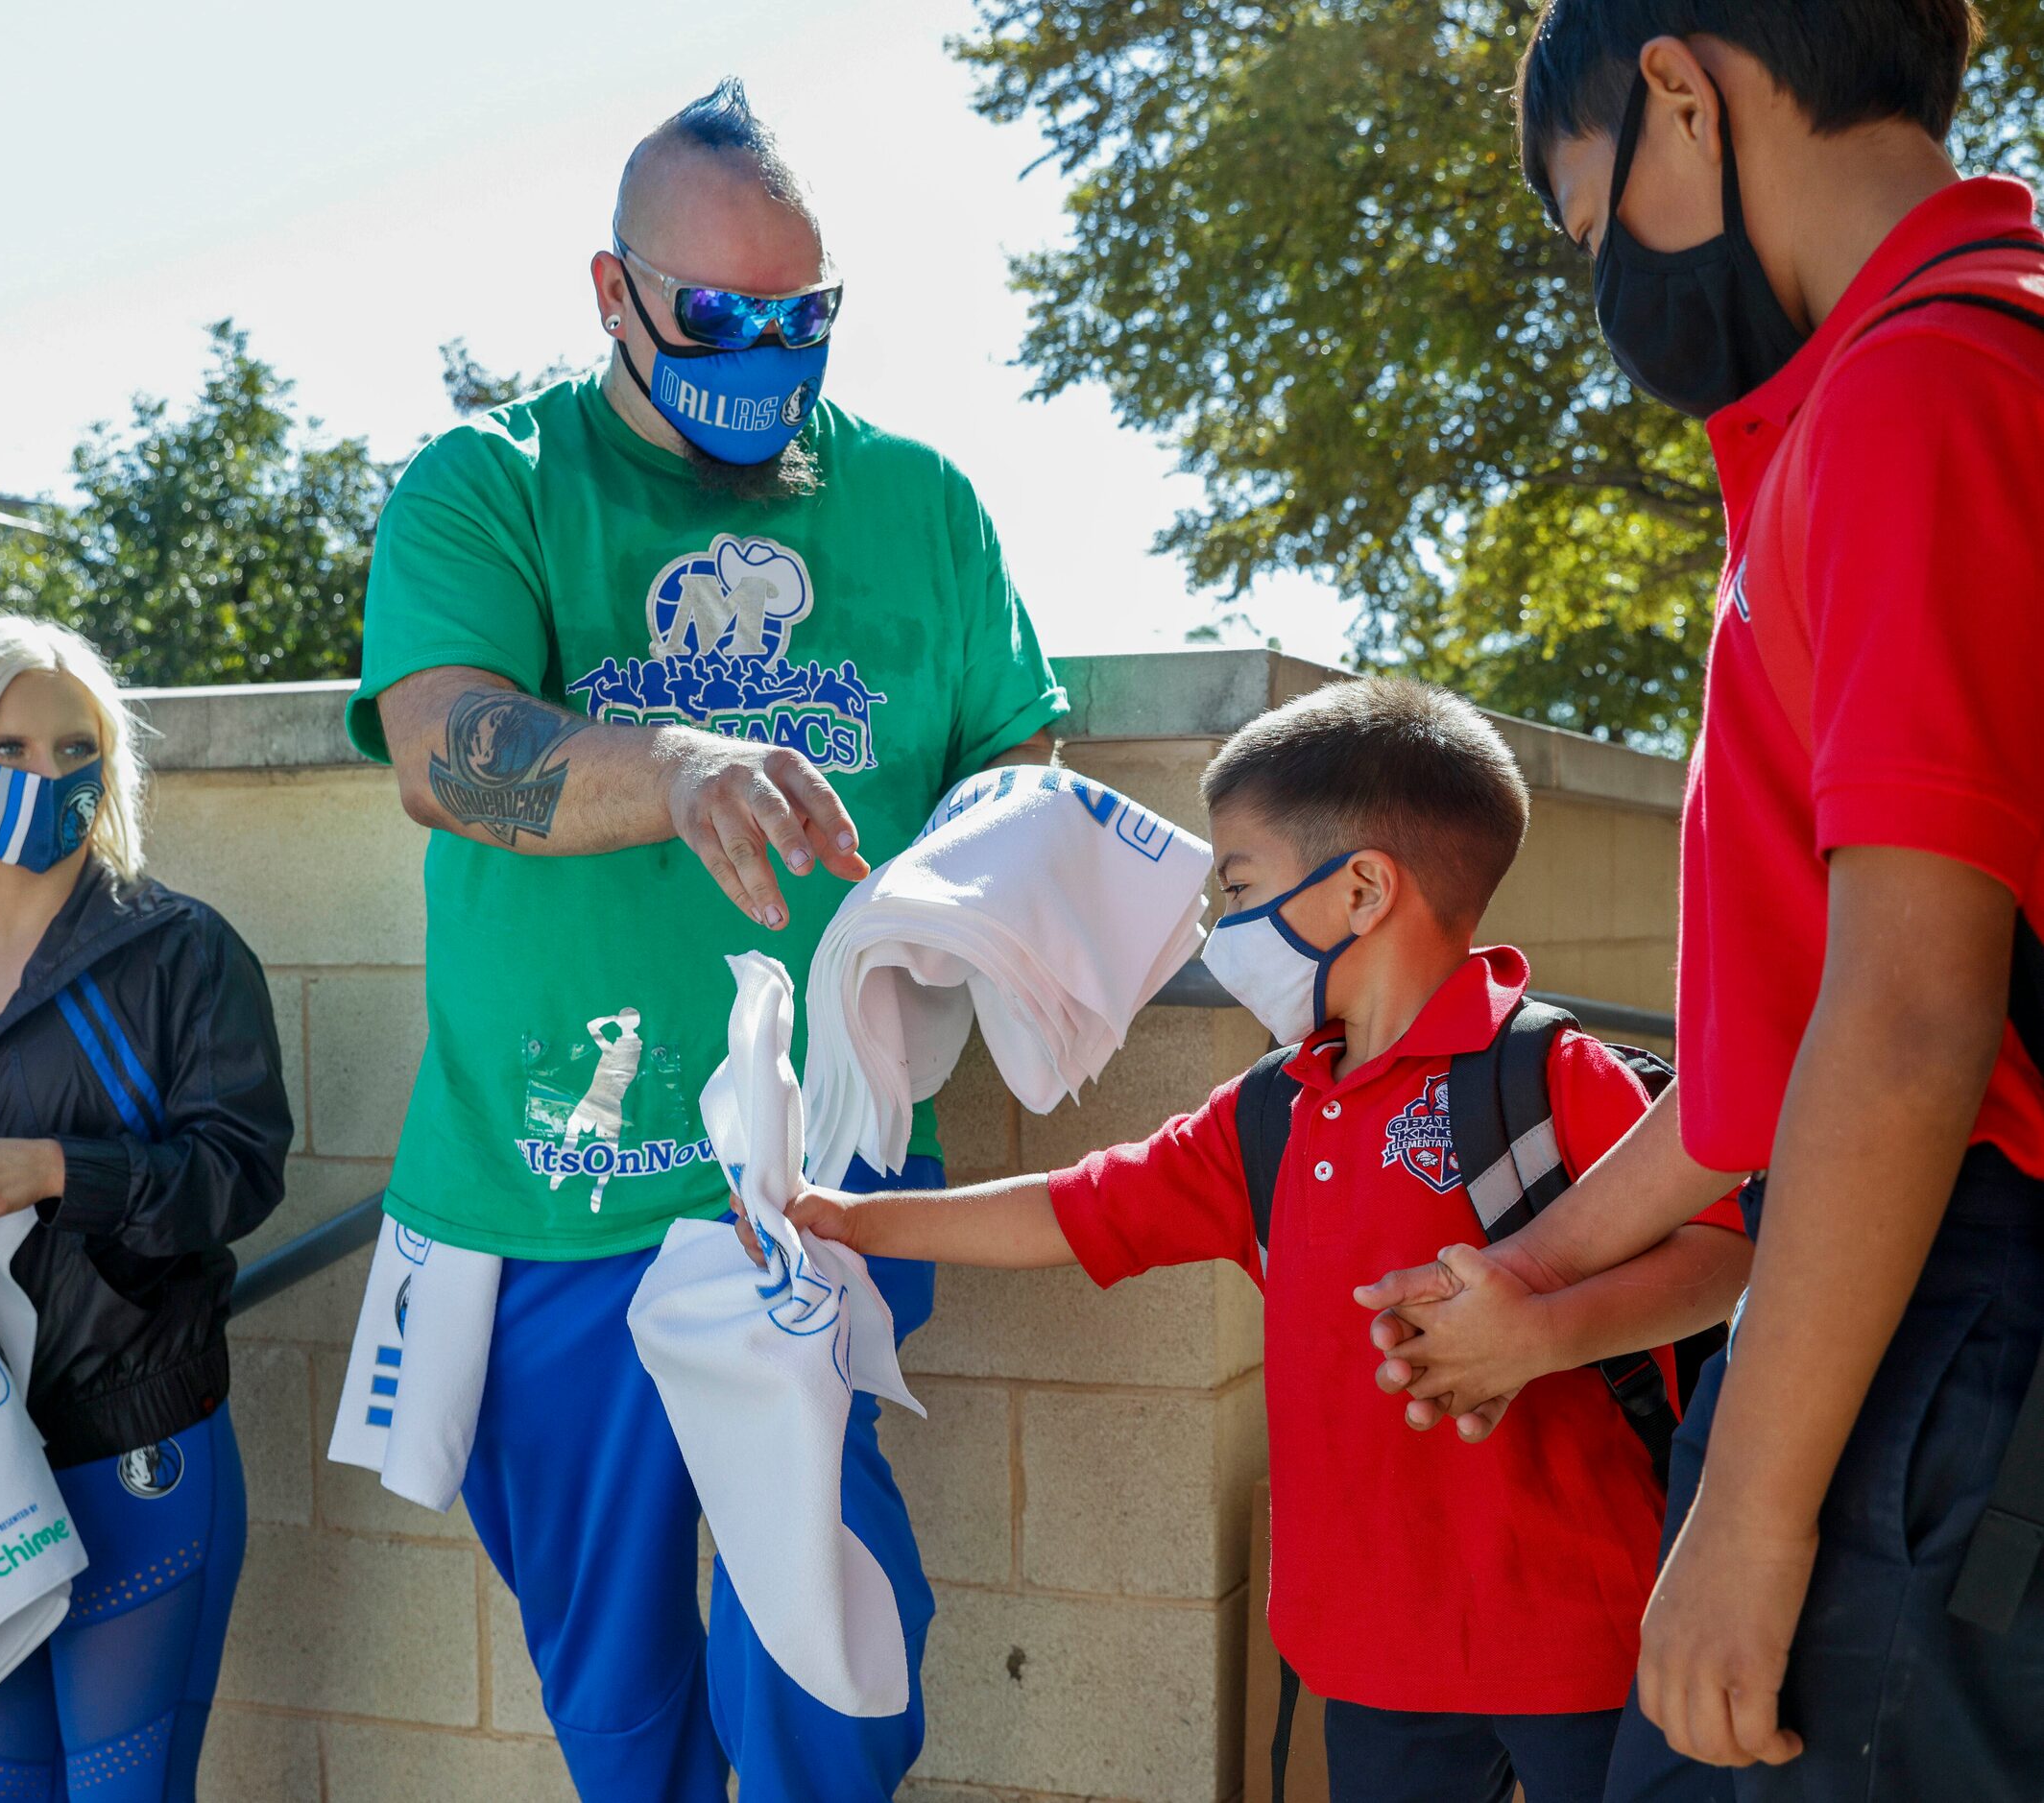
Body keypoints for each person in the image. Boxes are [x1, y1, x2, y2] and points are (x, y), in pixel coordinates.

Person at [346, 77, 1066, 1802]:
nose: (764, 347)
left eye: (801, 313)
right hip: (548, 1199)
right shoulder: (487, 485)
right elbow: (445, 749)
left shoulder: (924, 505)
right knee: (616, 1688)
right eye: (719, 313)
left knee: (828, 1660)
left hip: (818, 1188)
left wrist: (966, 884)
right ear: (615, 293)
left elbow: (1017, 757)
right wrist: (672, 765)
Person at [1358, 3, 2044, 1795]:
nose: (1614, 298)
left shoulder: (1922, 386)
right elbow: (1765, 1081)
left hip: (1946, 1335)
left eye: (1595, 229)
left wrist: (1743, 1520)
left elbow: (1906, 1022)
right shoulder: (1902, 382)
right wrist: (1521, 1274)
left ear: (1680, 90)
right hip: (1909, 1304)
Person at [780, 680, 1750, 1803]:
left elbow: (1725, 1250)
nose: (1220, 929)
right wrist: (848, 1218)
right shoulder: (1269, 1114)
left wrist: (1537, 1333)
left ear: (1362, 889)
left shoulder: (1550, 1074)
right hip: (1370, 1658)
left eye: (1237, 887)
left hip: (1594, 1640)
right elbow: (1074, 1205)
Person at [0, 615, 293, 1802]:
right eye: (10, 748)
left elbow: (242, 1170)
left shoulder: (183, 953)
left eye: (76, 748)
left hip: (134, 1445)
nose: (46, 777)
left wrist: (59, 1170)